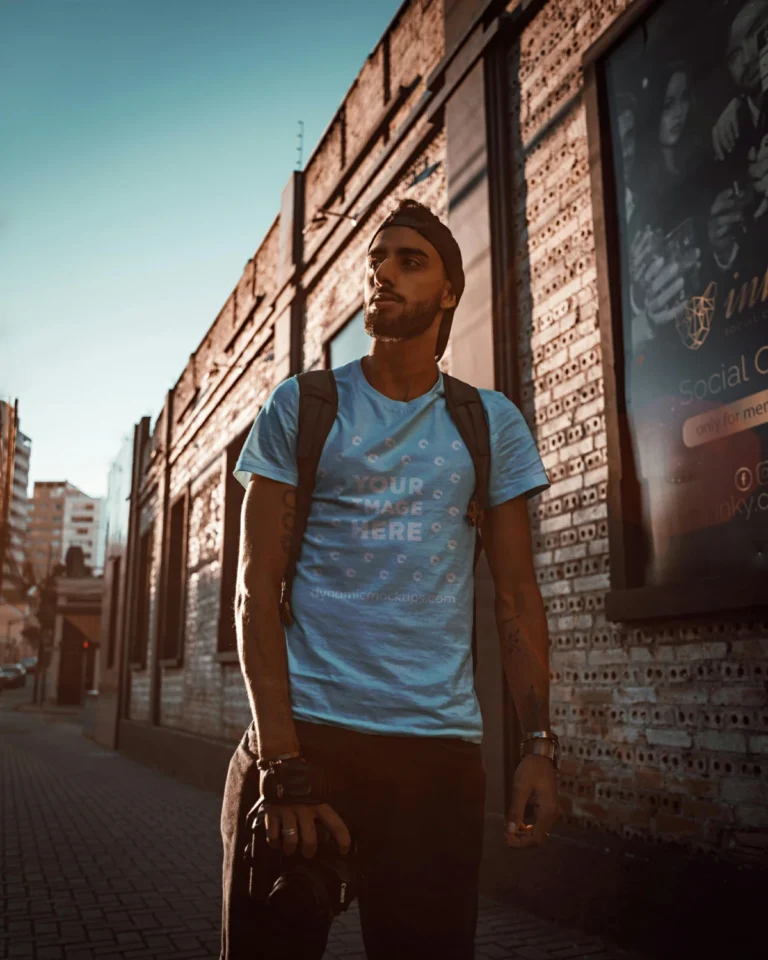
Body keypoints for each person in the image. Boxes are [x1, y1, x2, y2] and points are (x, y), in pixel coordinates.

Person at [219, 199, 559, 959]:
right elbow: (254, 587)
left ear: (448, 292)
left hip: (432, 761)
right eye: (379, 258)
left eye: (411, 260)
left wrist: (538, 743)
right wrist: (282, 764)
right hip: (306, 744)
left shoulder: (489, 423)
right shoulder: (304, 407)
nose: (384, 272)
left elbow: (516, 595)